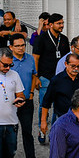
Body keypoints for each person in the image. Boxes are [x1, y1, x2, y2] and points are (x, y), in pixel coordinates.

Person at [33, 13, 69, 144]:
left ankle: (54, 131)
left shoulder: (64, 39)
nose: (62, 26)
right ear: (51, 24)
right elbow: (35, 58)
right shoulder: (41, 38)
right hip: (45, 77)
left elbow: (67, 58)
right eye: (59, 23)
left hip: (60, 78)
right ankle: (41, 130)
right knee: (44, 105)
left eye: (62, 23)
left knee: (58, 107)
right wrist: (36, 77)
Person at [41, 53, 79, 137]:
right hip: (62, 119)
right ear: (66, 64)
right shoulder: (56, 80)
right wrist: (43, 121)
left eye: (78, 66)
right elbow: (46, 102)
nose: (76, 69)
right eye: (73, 66)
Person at [10, 37, 43, 158]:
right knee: (10, 130)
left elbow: (34, 75)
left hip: (27, 101)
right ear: (11, 47)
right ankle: (8, 155)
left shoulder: (30, 59)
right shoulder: (7, 60)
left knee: (27, 130)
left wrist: (30, 92)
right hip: (10, 102)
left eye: (23, 45)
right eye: (17, 46)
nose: (21, 48)